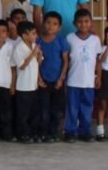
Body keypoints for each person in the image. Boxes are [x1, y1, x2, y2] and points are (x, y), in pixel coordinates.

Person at [62, 9, 101, 143]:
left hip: (88, 81)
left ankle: (84, 131)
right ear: (74, 23)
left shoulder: (95, 40)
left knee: (86, 108)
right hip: (73, 80)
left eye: (86, 21)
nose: (83, 25)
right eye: (80, 22)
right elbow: (65, 59)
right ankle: (70, 131)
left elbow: (98, 60)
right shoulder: (70, 38)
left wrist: (98, 76)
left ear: (91, 23)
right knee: (72, 107)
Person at [36, 12, 69, 143]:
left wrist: (61, 79)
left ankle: (53, 132)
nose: (51, 26)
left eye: (55, 24)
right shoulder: (37, 41)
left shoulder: (61, 41)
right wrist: (38, 78)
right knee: (43, 108)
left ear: (59, 27)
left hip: (57, 81)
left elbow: (65, 61)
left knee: (56, 109)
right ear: (43, 24)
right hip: (42, 80)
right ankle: (42, 132)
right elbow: (35, 62)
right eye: (48, 23)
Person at [11, 21, 42, 144]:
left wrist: (38, 55)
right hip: (23, 86)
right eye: (33, 33)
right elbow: (22, 66)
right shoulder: (18, 48)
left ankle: (32, 133)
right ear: (24, 35)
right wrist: (32, 54)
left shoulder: (34, 45)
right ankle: (22, 134)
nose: (36, 36)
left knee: (34, 112)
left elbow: (38, 63)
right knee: (23, 113)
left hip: (33, 85)